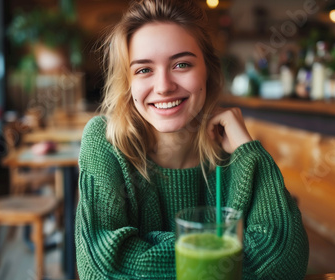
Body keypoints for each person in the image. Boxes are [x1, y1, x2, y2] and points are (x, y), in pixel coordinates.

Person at [75, 0, 309, 279]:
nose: (163, 86)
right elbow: (102, 269)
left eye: (181, 64)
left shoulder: (235, 153)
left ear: (207, 71)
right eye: (143, 70)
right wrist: (222, 254)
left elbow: (284, 260)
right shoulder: (105, 142)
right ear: (128, 82)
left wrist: (249, 151)